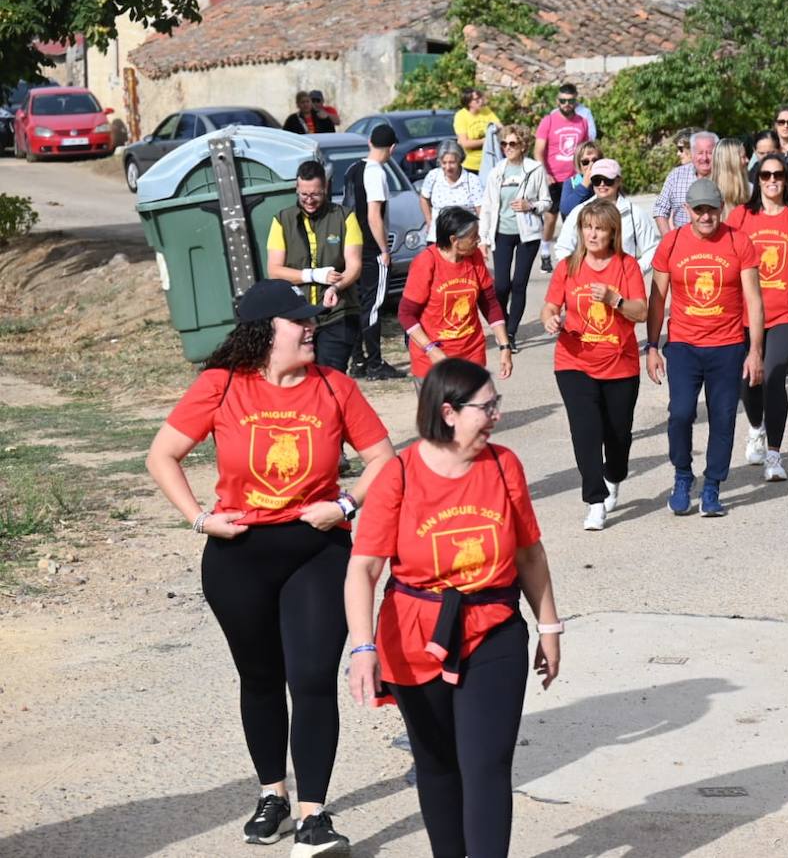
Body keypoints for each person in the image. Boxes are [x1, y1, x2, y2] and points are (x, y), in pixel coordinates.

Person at [145, 279, 395, 856]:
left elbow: (384, 458)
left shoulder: (334, 386)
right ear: (265, 332)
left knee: (310, 680)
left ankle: (314, 815)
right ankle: (272, 796)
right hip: (239, 554)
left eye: (310, 321)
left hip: (317, 550)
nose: (311, 328)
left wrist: (346, 504)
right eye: (298, 321)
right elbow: (162, 455)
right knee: (260, 679)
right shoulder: (221, 385)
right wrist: (199, 519)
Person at [344, 358, 562, 858]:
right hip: (415, 636)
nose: (496, 417)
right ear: (448, 412)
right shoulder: (397, 474)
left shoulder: (504, 465)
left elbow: (529, 552)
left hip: (495, 627)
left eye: (495, 405)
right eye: (487, 408)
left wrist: (549, 625)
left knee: (486, 764)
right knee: (438, 763)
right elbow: (364, 570)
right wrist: (362, 647)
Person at [646, 178, 764, 517]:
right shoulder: (672, 243)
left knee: (723, 417)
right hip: (683, 344)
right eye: (699, 210)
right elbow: (657, 299)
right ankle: (683, 475)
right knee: (681, 413)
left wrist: (755, 350)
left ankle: (712, 485)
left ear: (720, 208)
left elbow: (754, 301)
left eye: (712, 209)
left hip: (727, 345)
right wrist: (653, 346)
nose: (706, 216)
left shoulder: (739, 241)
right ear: (687, 211)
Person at [540, 198, 648, 530]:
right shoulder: (568, 267)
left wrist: (615, 300)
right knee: (585, 432)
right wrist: (550, 319)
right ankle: (595, 501)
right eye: (587, 227)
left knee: (618, 436)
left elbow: (641, 312)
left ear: (613, 232)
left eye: (599, 228)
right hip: (574, 361)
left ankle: (614, 476)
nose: (592, 234)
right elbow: (549, 307)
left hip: (620, 363)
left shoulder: (626, 266)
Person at [726, 152, 788, 481]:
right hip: (744, 313)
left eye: (778, 175)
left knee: (773, 375)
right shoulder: (740, 216)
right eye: (765, 175)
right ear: (757, 180)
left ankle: (774, 455)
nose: (771, 181)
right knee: (747, 380)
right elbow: (727, 262)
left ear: (786, 179)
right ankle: (756, 428)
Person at [265, 160, 362, 375]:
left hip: (337, 313)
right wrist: (313, 275)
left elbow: (354, 265)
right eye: (304, 195)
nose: (309, 200)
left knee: (330, 376)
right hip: (297, 316)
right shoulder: (282, 220)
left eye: (315, 194)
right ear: (297, 189)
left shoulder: (345, 217)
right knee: (303, 380)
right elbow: (274, 270)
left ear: (326, 188)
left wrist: (336, 287)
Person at [400, 206, 513, 385]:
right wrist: (431, 350)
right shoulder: (426, 262)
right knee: (438, 414)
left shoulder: (474, 257)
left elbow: (490, 304)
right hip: (433, 361)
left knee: (474, 411)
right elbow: (406, 314)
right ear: (454, 240)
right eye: (473, 236)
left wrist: (504, 345)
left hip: (471, 356)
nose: (478, 240)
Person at [478, 124, 551, 353]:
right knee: (500, 286)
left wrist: (531, 206)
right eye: (504, 144)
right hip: (502, 233)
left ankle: (510, 333)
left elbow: (546, 203)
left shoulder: (534, 169)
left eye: (512, 144)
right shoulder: (497, 171)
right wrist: (484, 239)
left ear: (523, 146)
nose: (507, 148)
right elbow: (488, 207)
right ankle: (504, 320)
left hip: (527, 234)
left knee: (518, 284)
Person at [347, 123, 404, 381]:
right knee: (373, 306)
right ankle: (375, 363)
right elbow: (374, 215)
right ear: (392, 148)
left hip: (353, 246)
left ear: (370, 142)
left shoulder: (354, 169)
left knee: (358, 304)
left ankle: (357, 360)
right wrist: (384, 249)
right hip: (371, 249)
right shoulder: (377, 173)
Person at [553, 158, 660, 276]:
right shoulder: (579, 211)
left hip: (623, 286)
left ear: (618, 181)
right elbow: (563, 247)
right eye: (597, 180)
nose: (602, 184)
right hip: (586, 285)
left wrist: (634, 272)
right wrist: (577, 273)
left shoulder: (635, 213)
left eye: (608, 180)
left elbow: (652, 250)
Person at [534, 84, 591, 272]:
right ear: (557, 101)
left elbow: (584, 150)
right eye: (563, 101)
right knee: (550, 218)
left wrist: (585, 174)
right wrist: (545, 173)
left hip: (574, 178)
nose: (567, 104)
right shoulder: (548, 121)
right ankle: (545, 253)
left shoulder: (582, 122)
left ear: (576, 101)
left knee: (575, 218)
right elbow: (538, 151)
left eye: (571, 101)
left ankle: (576, 256)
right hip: (554, 178)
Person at [418, 140, 482, 247]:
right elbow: (424, 198)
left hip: (464, 239)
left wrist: (480, 234)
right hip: (437, 237)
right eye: (444, 163)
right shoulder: (433, 176)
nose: (448, 167)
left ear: (460, 160)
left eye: (452, 162)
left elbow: (480, 210)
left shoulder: (472, 180)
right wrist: (429, 221)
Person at [654, 130, 716, 233]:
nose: (678, 153)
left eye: (681, 149)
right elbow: (660, 210)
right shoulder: (676, 175)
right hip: (682, 244)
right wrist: (669, 240)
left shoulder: (722, 174)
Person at [452, 87, 500, 177]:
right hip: (470, 165)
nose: (481, 101)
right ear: (468, 102)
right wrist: (486, 140)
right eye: (476, 99)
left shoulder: (486, 111)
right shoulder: (461, 116)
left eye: (481, 98)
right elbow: (465, 143)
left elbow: (499, 126)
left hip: (490, 162)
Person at [558, 140, 603, 219]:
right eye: (585, 162)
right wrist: (584, 186)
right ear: (579, 164)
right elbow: (565, 209)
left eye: (595, 160)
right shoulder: (571, 182)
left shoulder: (606, 180)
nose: (591, 165)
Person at [711, 138, 750, 218]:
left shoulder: (750, 190)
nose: (747, 160)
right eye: (743, 157)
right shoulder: (708, 194)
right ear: (731, 162)